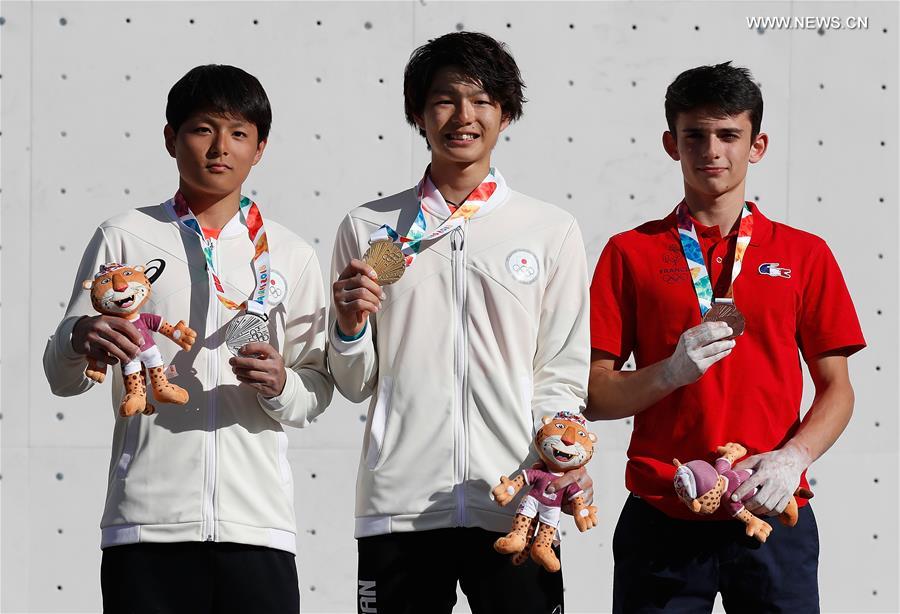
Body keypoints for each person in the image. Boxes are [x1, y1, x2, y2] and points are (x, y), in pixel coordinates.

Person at [42, 64, 332, 613]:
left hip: (258, 527)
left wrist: (281, 385)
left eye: (239, 133)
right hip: (145, 526)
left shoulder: (291, 255)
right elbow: (62, 378)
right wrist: (79, 337)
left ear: (260, 147)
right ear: (171, 138)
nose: (220, 148)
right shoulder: (124, 236)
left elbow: (315, 388)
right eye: (203, 129)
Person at [586, 61, 865, 613]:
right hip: (663, 509)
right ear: (672, 144)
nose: (712, 149)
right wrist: (668, 371)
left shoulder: (805, 253)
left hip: (772, 509)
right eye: (695, 135)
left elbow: (838, 388)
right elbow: (594, 395)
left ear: (756, 146)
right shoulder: (629, 252)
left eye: (729, 135)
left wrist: (793, 458)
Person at [328, 32, 590, 614]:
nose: (463, 117)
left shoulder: (550, 229)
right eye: (445, 99)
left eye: (482, 101)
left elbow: (563, 373)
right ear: (418, 113)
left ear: (506, 113)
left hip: (516, 504)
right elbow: (353, 382)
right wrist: (347, 327)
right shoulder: (368, 228)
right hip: (399, 507)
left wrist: (558, 464)